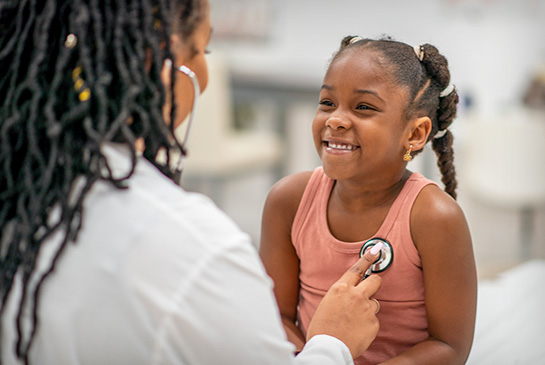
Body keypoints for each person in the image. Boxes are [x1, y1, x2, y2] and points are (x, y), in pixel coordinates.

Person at [0, 2, 383, 364]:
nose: (204, 73)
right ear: (160, 63)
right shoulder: (196, 254)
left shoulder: (24, 190)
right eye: (202, 50)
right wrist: (333, 344)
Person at [259, 35, 477, 364]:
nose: (335, 119)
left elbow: (449, 347)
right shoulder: (288, 201)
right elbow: (275, 317)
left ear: (415, 134)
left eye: (363, 107)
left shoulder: (434, 218)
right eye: (327, 103)